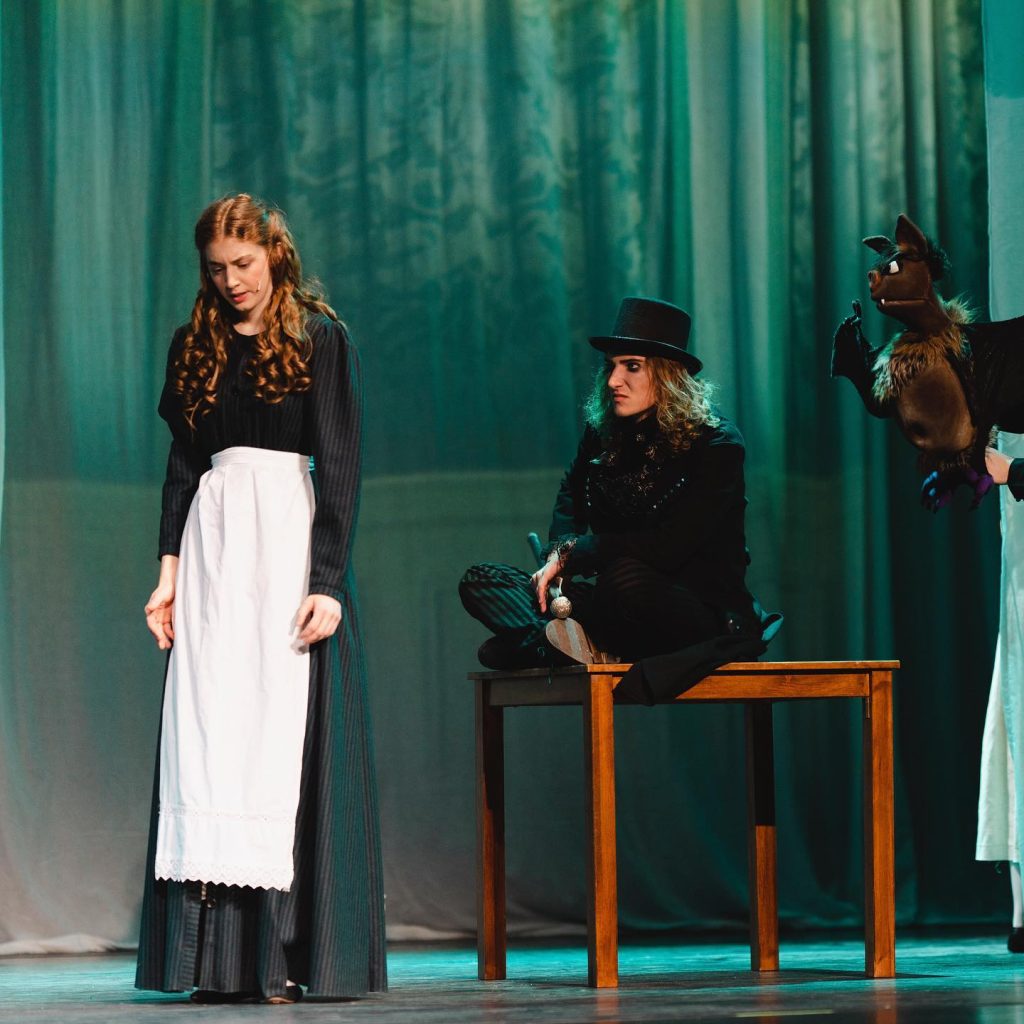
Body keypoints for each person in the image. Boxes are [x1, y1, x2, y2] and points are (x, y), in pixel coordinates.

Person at [135, 193, 386, 1003]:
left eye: (243, 264)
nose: (232, 281)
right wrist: (168, 575)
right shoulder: (195, 344)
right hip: (213, 554)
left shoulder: (319, 336)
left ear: (275, 254)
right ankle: (211, 963)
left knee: (281, 738)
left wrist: (327, 582)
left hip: (286, 545)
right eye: (217, 269)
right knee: (212, 739)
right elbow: (183, 466)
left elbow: (340, 462)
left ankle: (285, 953)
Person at [460, 297, 776, 702]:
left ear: (668, 374)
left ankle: (545, 644)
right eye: (610, 366)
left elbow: (669, 547)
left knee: (624, 580)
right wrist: (557, 557)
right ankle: (572, 643)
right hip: (615, 605)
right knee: (482, 581)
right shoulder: (604, 434)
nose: (613, 381)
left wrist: (574, 554)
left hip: (692, 608)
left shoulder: (717, 443)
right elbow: (571, 496)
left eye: (631, 366)